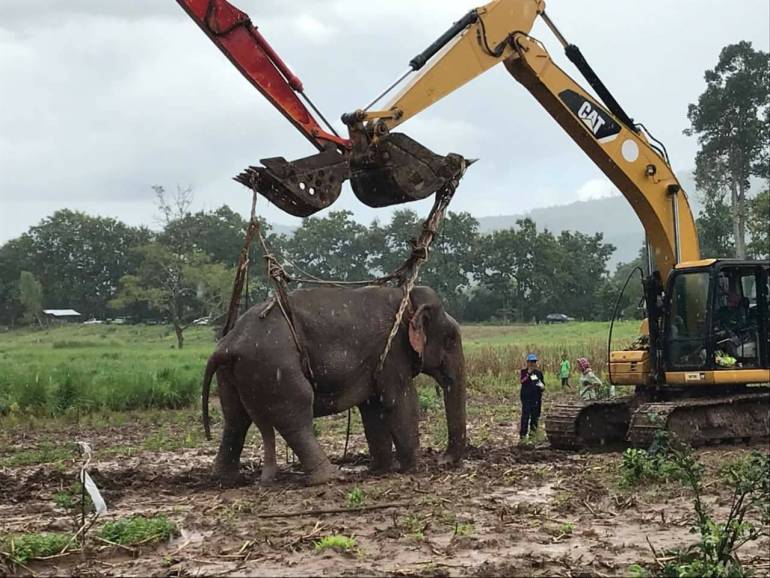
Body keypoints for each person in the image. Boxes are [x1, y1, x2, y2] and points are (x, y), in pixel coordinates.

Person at [519, 353, 545, 440]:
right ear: (527, 362)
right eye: (531, 362)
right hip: (526, 399)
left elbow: (541, 384)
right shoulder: (524, 372)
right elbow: (522, 381)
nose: (533, 364)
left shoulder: (538, 373)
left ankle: (532, 436)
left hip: (536, 399)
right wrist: (528, 373)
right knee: (525, 417)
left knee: (535, 417)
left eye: (534, 362)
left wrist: (542, 386)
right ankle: (523, 436)